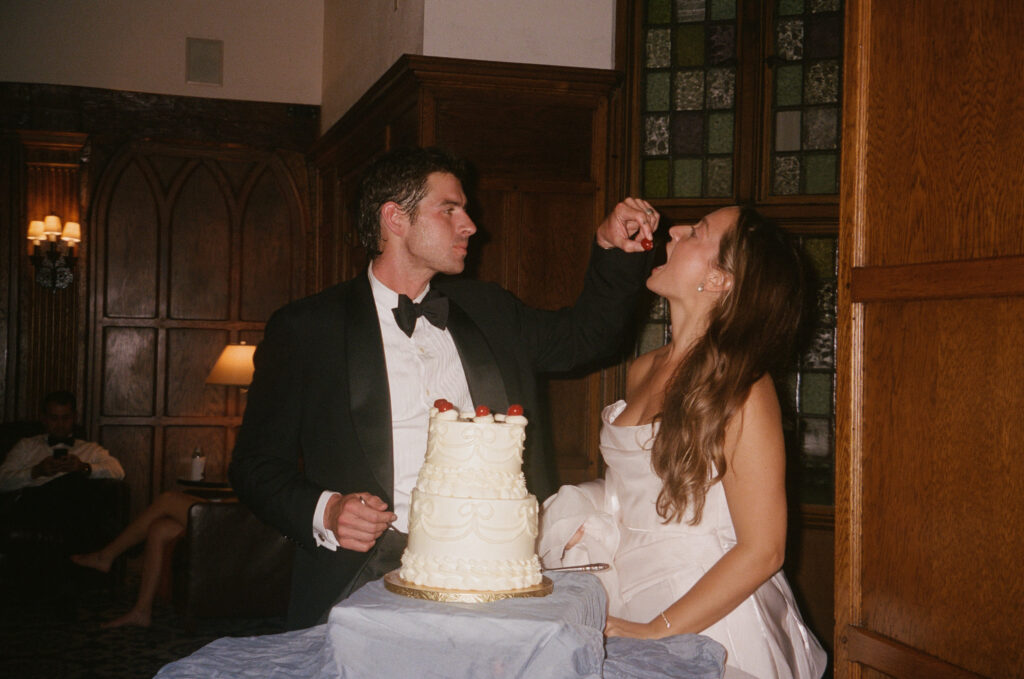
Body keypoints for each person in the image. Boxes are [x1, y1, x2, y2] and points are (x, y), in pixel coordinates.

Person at [229, 146, 658, 629]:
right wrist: (327, 511)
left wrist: (613, 251)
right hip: (361, 577)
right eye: (449, 209)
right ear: (395, 219)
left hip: (497, 576)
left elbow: (587, 339)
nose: (470, 225)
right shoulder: (308, 328)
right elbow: (255, 466)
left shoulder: (489, 309)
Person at [538, 206, 827, 679]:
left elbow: (764, 549)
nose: (674, 230)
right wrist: (590, 509)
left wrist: (657, 630)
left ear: (719, 279)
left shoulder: (745, 388)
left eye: (697, 232)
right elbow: (644, 488)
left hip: (707, 614)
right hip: (625, 586)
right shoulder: (643, 368)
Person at [72, 490, 203, 628]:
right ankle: (141, 611)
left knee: (168, 499)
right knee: (159, 529)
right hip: (226, 518)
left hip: (227, 527)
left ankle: (105, 556)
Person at [0, 390, 124, 493]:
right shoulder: (26, 446)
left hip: (75, 508)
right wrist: (36, 471)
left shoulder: (91, 449)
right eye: (54, 418)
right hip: (36, 506)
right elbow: (2, 479)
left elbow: (118, 472)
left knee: (76, 483)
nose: (60, 424)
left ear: (74, 418)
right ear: (44, 419)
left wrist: (83, 467)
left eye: (66, 418)